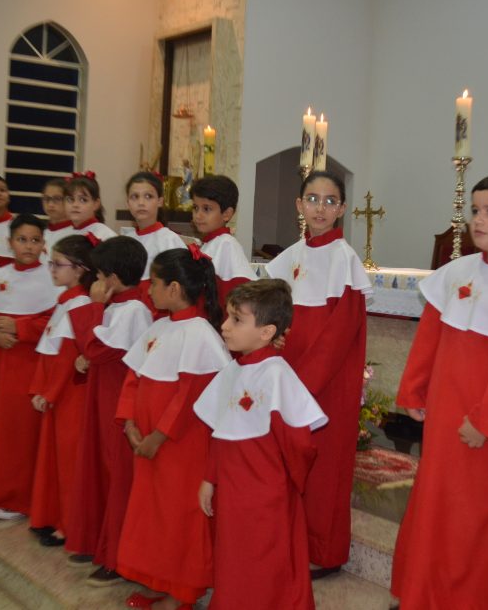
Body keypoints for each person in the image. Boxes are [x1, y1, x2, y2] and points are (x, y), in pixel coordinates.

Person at [391, 173, 488, 609]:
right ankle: (424, 594)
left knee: (479, 517)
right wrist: (415, 392)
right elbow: (430, 339)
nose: (477, 220)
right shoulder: (456, 272)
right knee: (434, 508)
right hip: (444, 416)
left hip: (485, 431)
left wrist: (487, 423)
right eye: (475, 211)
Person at [194, 279, 328, 610]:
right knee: (234, 558)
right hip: (233, 490)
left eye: (237, 320)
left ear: (267, 332)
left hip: (266, 494)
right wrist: (209, 479)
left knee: (265, 564)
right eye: (227, 317)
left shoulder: (276, 374)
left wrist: (284, 485)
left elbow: (299, 442)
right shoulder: (232, 371)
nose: (224, 327)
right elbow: (220, 433)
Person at [265, 170, 372, 578]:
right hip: (288, 378)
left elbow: (337, 337)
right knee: (286, 462)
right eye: (313, 199)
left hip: (325, 386)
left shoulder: (344, 261)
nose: (320, 208)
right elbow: (273, 319)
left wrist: (300, 386)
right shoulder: (288, 258)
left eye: (330, 201)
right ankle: (288, 540)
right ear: (299, 204)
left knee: (326, 467)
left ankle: (325, 552)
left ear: (342, 208)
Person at [115, 248, 230, 610]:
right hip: (147, 442)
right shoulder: (158, 327)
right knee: (153, 515)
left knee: (180, 515)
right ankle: (156, 579)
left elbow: (189, 398)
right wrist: (130, 424)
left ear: (175, 288)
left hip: (179, 447)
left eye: (156, 282)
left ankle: (184, 590)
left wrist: (158, 437)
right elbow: (133, 378)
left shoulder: (199, 334)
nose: (148, 289)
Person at [65, 236, 151, 585]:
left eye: (99, 274)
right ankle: (97, 542)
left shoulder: (132, 310)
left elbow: (96, 348)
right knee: (99, 469)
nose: (96, 282)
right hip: (103, 397)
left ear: (112, 277)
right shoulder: (121, 306)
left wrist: (94, 306)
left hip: (118, 402)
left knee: (116, 476)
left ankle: (116, 556)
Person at [0, 214, 59, 520]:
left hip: (35, 365)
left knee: (26, 434)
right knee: (3, 433)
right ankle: (1, 489)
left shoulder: (53, 279)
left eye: (35, 240)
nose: (29, 246)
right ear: (10, 243)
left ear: (44, 244)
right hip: (3, 368)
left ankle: (21, 498)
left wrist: (20, 328)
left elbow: (56, 322)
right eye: (22, 240)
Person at [29, 235, 95, 547]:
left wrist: (50, 393)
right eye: (51, 263)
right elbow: (50, 352)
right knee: (54, 460)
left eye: (59, 264)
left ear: (80, 269)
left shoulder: (80, 305)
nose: (52, 269)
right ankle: (53, 515)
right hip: (57, 396)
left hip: (71, 397)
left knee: (69, 463)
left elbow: (69, 357)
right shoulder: (66, 301)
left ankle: (69, 524)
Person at [190, 175, 254, 312]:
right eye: (195, 208)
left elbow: (237, 292)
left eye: (206, 209)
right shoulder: (210, 243)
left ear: (226, 214)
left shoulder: (227, 244)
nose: (198, 215)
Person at [120, 171, 186, 282]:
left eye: (148, 196)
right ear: (128, 203)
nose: (141, 202)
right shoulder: (125, 241)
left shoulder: (169, 240)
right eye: (135, 197)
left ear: (160, 201)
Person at [65, 172, 117, 241]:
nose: (75, 205)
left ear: (96, 204)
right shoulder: (63, 233)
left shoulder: (106, 236)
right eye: (70, 199)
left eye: (83, 200)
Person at [41, 178, 72, 258]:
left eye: (57, 199)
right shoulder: (40, 232)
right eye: (47, 199)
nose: (50, 204)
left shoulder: (76, 233)